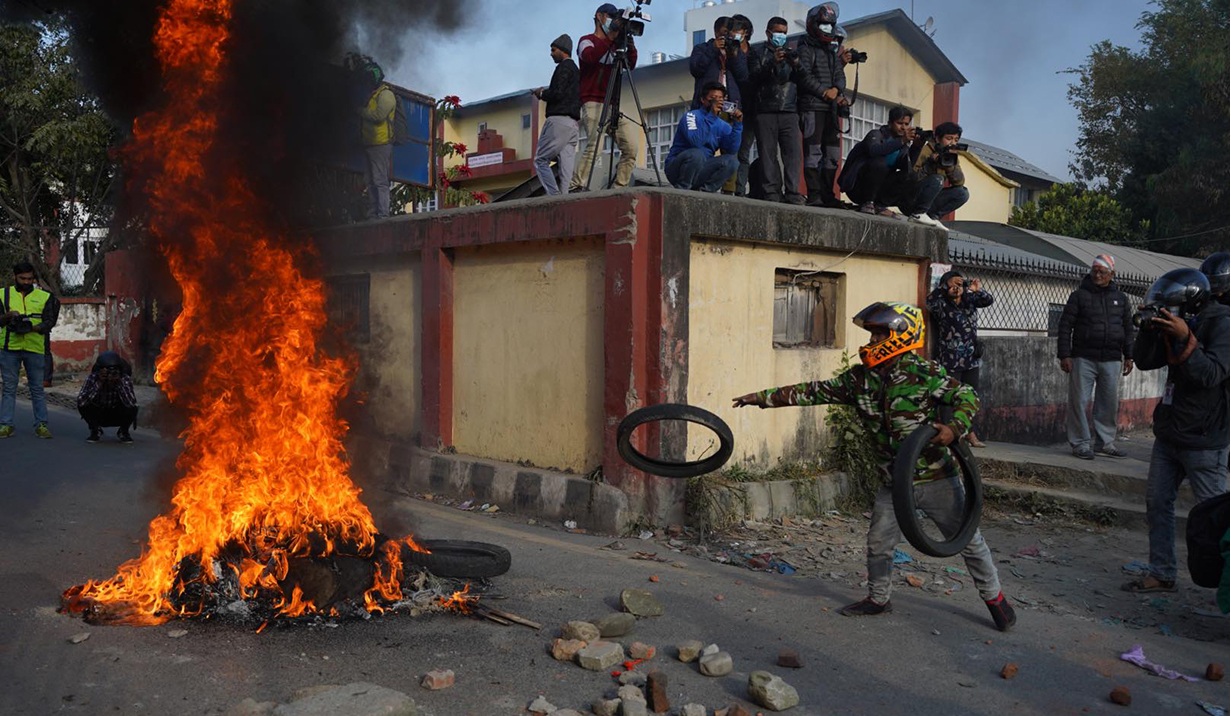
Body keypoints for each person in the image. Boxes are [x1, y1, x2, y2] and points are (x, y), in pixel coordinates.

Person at [732, 301, 1017, 631]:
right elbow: (814, 391)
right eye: (871, 334)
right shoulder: (860, 380)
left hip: (936, 477)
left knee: (968, 541)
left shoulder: (923, 373)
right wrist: (762, 398)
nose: (870, 341)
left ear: (901, 336)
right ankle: (878, 599)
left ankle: (995, 599)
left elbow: (967, 395)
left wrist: (954, 428)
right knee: (879, 543)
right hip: (893, 482)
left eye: (879, 334)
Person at [1123, 268, 1228, 593]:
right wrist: (1150, 329)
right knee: (1157, 502)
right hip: (1170, 433)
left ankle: (1225, 585)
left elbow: (1212, 374)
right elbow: (1144, 361)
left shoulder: (1222, 321)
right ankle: (1162, 571)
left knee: (1218, 517)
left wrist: (1185, 337)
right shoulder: (1183, 317)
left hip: (1205, 438)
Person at [1056, 254, 1135, 460]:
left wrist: (1129, 355)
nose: (1097, 275)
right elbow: (1065, 326)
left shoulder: (1121, 299)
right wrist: (1065, 354)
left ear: (1112, 274)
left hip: (1111, 358)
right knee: (1079, 402)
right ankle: (1080, 443)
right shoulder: (1079, 296)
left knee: (1108, 403)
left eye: (1102, 272)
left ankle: (1105, 442)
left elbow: (1128, 328)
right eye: (1095, 271)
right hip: (1083, 357)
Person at [571, 3, 641, 191]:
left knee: (631, 148)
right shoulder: (586, 40)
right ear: (599, 16)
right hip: (593, 101)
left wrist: (629, 44)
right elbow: (589, 56)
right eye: (610, 17)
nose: (613, 22)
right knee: (595, 145)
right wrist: (611, 37)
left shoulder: (615, 45)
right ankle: (577, 185)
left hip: (613, 103)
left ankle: (619, 187)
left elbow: (630, 65)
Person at [926, 270, 993, 448]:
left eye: (960, 284)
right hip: (949, 359)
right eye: (954, 284)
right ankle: (951, 437)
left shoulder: (969, 302)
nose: (957, 288)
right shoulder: (941, 304)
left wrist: (976, 290)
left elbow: (988, 300)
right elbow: (929, 302)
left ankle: (970, 433)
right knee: (948, 398)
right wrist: (944, 290)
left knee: (970, 396)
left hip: (971, 359)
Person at [794, 2, 849, 208]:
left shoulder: (830, 51)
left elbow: (840, 75)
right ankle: (814, 194)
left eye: (830, 26)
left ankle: (828, 194)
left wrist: (836, 89)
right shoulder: (805, 49)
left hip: (831, 109)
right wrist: (824, 92)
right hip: (812, 107)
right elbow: (803, 76)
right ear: (814, 25)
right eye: (824, 26)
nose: (828, 30)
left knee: (833, 155)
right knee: (813, 153)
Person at [747, 16, 805, 204]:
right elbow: (754, 77)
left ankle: (793, 192)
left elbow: (804, 79)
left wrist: (796, 63)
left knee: (793, 154)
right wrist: (772, 61)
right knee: (767, 154)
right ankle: (771, 192)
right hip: (765, 110)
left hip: (789, 110)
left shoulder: (792, 53)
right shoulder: (757, 52)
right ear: (768, 33)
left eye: (784, 32)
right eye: (778, 32)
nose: (781, 36)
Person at [0, 261, 56, 439]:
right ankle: (6, 425)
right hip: (9, 347)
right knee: (9, 388)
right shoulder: (3, 295)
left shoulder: (45, 297)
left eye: (30, 279)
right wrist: (9, 316)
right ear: (15, 277)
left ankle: (41, 424)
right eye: (22, 278)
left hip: (34, 347)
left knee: (37, 389)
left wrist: (32, 328)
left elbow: (49, 322)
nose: (26, 282)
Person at [837, 105, 916, 217]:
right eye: (899, 123)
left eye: (906, 124)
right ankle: (868, 203)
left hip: (880, 189)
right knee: (880, 163)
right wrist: (902, 141)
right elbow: (874, 151)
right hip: (858, 187)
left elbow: (908, 167)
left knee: (910, 175)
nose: (903, 128)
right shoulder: (876, 134)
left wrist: (917, 146)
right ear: (890, 123)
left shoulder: (903, 146)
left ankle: (880, 205)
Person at [664, 82, 743, 192]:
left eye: (720, 99)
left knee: (732, 161)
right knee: (697, 154)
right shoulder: (691, 116)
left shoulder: (722, 125)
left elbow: (732, 149)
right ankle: (682, 189)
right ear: (703, 100)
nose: (717, 102)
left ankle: (705, 192)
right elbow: (696, 142)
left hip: (702, 168)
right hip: (678, 168)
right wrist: (711, 116)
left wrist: (738, 125)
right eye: (713, 98)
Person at [532, 34, 581, 196]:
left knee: (540, 160)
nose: (551, 53)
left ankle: (554, 197)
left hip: (558, 121)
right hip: (573, 125)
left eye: (553, 50)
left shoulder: (564, 67)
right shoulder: (576, 70)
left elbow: (557, 93)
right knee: (567, 167)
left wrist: (542, 93)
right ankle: (565, 198)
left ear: (563, 51)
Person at [905, 122, 970, 229]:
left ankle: (934, 217)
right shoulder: (926, 149)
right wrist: (930, 164)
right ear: (938, 139)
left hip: (931, 200)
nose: (953, 143)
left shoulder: (952, 155)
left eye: (956, 139)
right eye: (949, 138)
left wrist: (948, 165)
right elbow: (911, 178)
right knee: (937, 179)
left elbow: (959, 182)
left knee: (963, 193)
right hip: (912, 198)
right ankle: (918, 213)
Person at [355, 57, 396, 220]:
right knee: (370, 180)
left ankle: (383, 214)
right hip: (369, 143)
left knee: (379, 180)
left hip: (381, 144)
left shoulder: (386, 95)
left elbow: (379, 116)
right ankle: (374, 213)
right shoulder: (373, 95)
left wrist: (360, 111)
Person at [688, 16, 751, 112]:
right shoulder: (702, 49)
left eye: (731, 32)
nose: (728, 35)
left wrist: (734, 56)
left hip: (730, 107)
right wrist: (713, 49)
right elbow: (696, 70)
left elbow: (743, 77)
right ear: (716, 32)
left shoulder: (737, 51)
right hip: (706, 105)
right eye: (725, 32)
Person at [76, 351, 139, 444]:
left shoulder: (124, 378)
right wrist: (99, 383)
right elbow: (81, 401)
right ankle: (95, 430)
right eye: (107, 371)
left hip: (116, 412)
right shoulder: (93, 378)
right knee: (83, 406)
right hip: (99, 412)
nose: (110, 375)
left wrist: (119, 384)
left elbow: (131, 403)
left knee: (134, 408)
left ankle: (124, 431)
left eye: (113, 371)